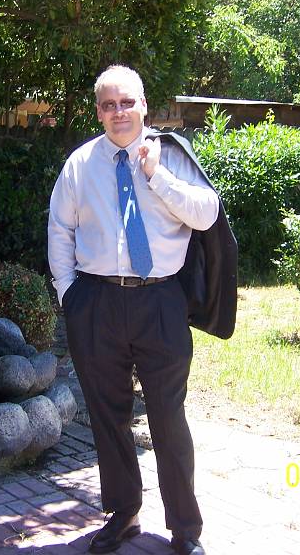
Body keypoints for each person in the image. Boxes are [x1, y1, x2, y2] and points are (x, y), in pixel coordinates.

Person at [48, 65, 220, 555]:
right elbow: (60, 229)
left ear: (144, 106)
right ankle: (123, 514)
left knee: (168, 417)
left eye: (127, 102)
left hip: (161, 301)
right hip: (97, 301)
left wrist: (155, 175)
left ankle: (185, 528)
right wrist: (69, 294)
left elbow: (206, 214)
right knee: (108, 415)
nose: (119, 112)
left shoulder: (172, 155)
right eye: (109, 104)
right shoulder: (80, 164)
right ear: (98, 111)